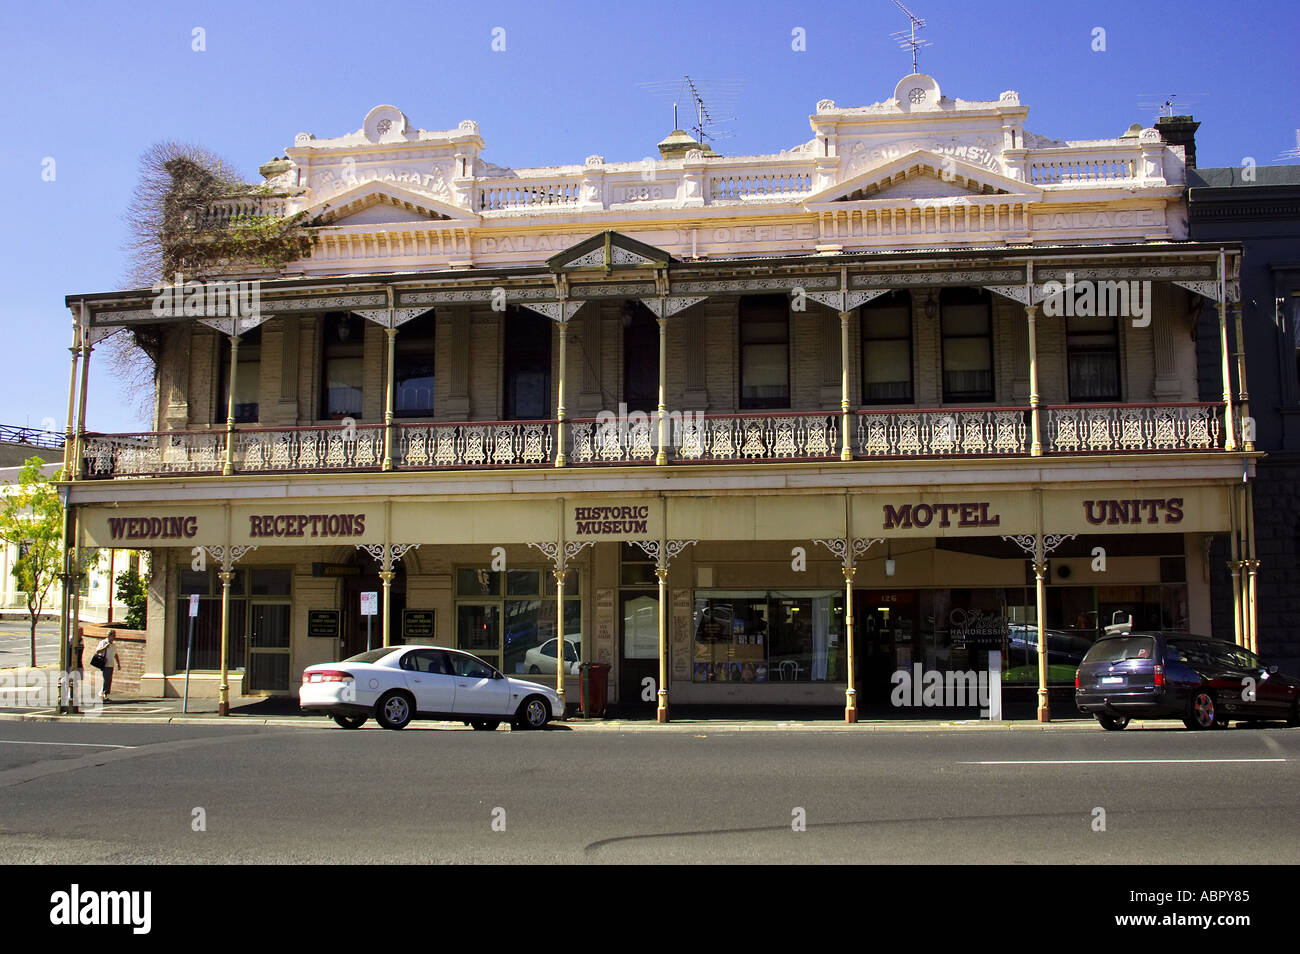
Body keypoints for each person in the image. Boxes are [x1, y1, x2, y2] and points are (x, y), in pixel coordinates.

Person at [95, 631, 120, 701]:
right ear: (109, 636)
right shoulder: (103, 642)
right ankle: (102, 693)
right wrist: (105, 647)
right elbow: (97, 651)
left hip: (110, 664)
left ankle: (105, 694)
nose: (114, 637)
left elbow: (115, 654)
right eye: (113, 636)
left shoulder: (113, 645)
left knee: (109, 680)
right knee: (105, 679)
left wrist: (118, 664)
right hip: (104, 664)